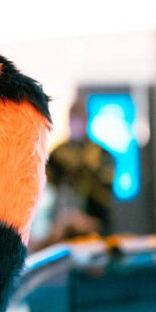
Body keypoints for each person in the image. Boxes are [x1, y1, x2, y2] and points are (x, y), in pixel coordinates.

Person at [45, 97, 115, 243]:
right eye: (75, 121)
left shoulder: (101, 154)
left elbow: (106, 191)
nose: (78, 126)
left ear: (87, 122)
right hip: (62, 220)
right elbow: (48, 188)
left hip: (94, 220)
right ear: (69, 122)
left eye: (81, 121)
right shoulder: (58, 154)